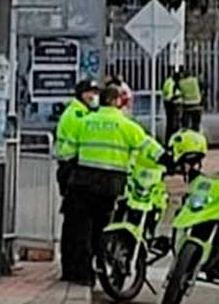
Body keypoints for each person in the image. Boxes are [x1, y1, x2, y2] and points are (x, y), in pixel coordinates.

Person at [60, 85, 163, 287]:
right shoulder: (125, 125)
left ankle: (82, 274)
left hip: (83, 182)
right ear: (117, 101)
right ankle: (100, 268)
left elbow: (67, 152)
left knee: (81, 229)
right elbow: (150, 147)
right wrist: (172, 161)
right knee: (101, 229)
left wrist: (69, 169)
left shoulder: (85, 122)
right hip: (110, 186)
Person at [55, 79, 101, 282]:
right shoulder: (77, 115)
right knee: (79, 225)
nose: (93, 96)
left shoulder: (82, 113)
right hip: (72, 169)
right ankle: (77, 270)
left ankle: (72, 268)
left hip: (74, 169)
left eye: (95, 92)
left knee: (75, 223)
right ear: (81, 94)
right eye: (90, 93)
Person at [161, 70, 180, 143]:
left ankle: (168, 141)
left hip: (167, 103)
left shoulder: (168, 81)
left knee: (170, 124)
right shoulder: (172, 83)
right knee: (172, 125)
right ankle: (170, 141)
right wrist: (178, 96)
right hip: (171, 104)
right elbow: (170, 95)